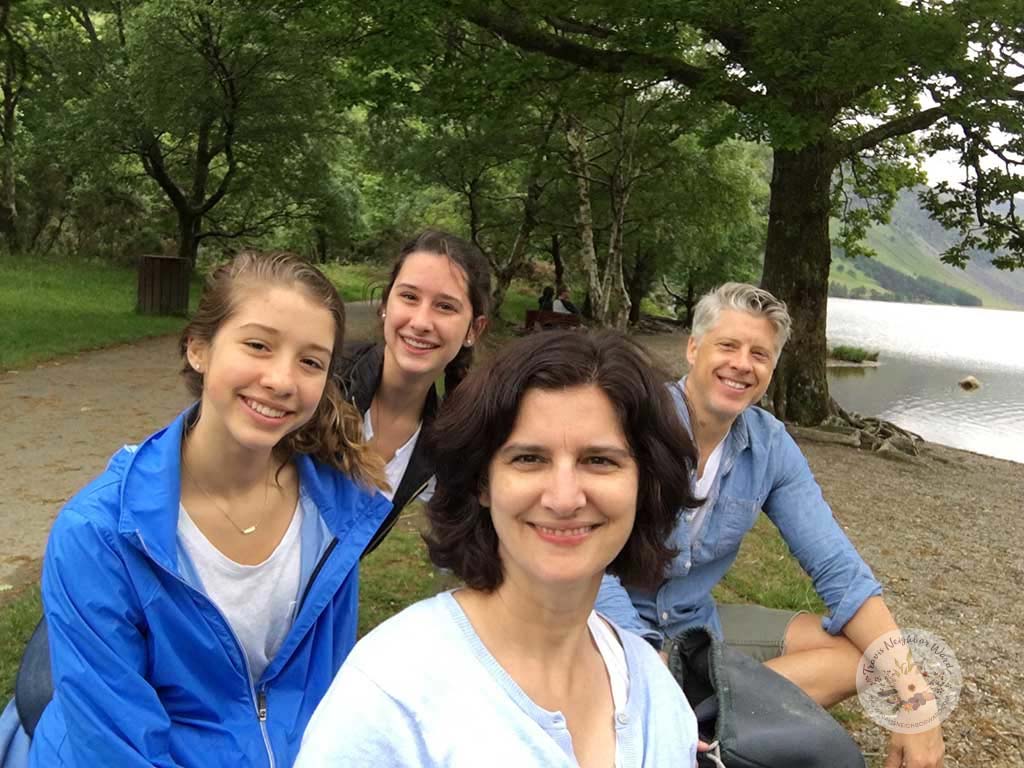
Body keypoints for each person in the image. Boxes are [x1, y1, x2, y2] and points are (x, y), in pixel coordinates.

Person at [20, 251, 392, 768]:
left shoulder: (335, 513)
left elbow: (326, 698)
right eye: (258, 345)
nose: (282, 380)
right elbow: (113, 750)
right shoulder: (99, 534)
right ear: (199, 349)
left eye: (310, 362)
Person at [296, 331, 701, 768]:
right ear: (482, 483)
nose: (564, 499)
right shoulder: (393, 695)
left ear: (645, 485)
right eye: (529, 459)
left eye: (599, 460)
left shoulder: (657, 695)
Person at [596, 282, 945, 768]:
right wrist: (645, 665)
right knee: (627, 689)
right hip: (604, 625)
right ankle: (694, 721)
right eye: (728, 346)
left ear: (772, 369)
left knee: (866, 661)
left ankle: (703, 723)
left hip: (697, 624)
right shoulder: (632, 422)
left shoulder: (769, 444)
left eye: (760, 353)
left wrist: (917, 700)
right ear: (693, 348)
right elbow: (587, 562)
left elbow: (837, 567)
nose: (743, 364)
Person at [335, 230, 490, 554]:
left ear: (473, 330)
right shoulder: (326, 379)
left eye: (445, 306)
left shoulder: (445, 442)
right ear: (385, 305)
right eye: (409, 297)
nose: (421, 321)